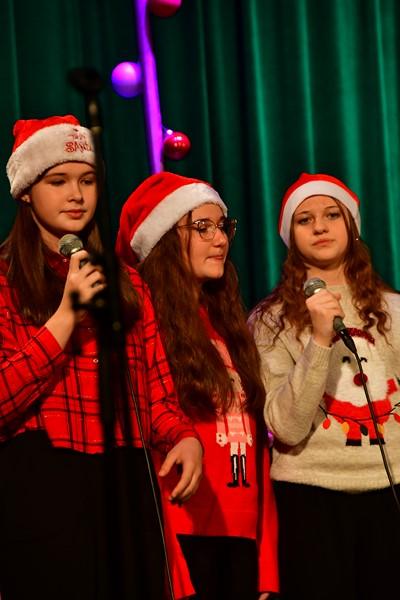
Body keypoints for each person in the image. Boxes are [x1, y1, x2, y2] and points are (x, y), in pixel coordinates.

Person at [0, 115, 203, 600]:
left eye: (87, 181)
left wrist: (183, 436)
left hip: (125, 476)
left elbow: (156, 394)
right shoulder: (5, 279)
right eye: (58, 181)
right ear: (26, 191)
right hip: (42, 480)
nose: (76, 195)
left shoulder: (127, 283)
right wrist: (65, 318)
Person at [115, 171, 279, 600]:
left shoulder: (228, 325)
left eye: (222, 226)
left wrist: (266, 564)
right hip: (184, 532)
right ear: (165, 240)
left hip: (240, 536)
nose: (220, 239)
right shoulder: (145, 326)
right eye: (202, 228)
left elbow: (256, 445)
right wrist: (170, 558)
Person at [249, 172, 400, 600]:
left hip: (390, 491)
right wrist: (318, 339)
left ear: (351, 226)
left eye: (332, 215)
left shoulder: (393, 309)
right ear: (290, 236)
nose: (320, 227)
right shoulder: (269, 320)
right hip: (309, 495)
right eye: (305, 219)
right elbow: (287, 427)